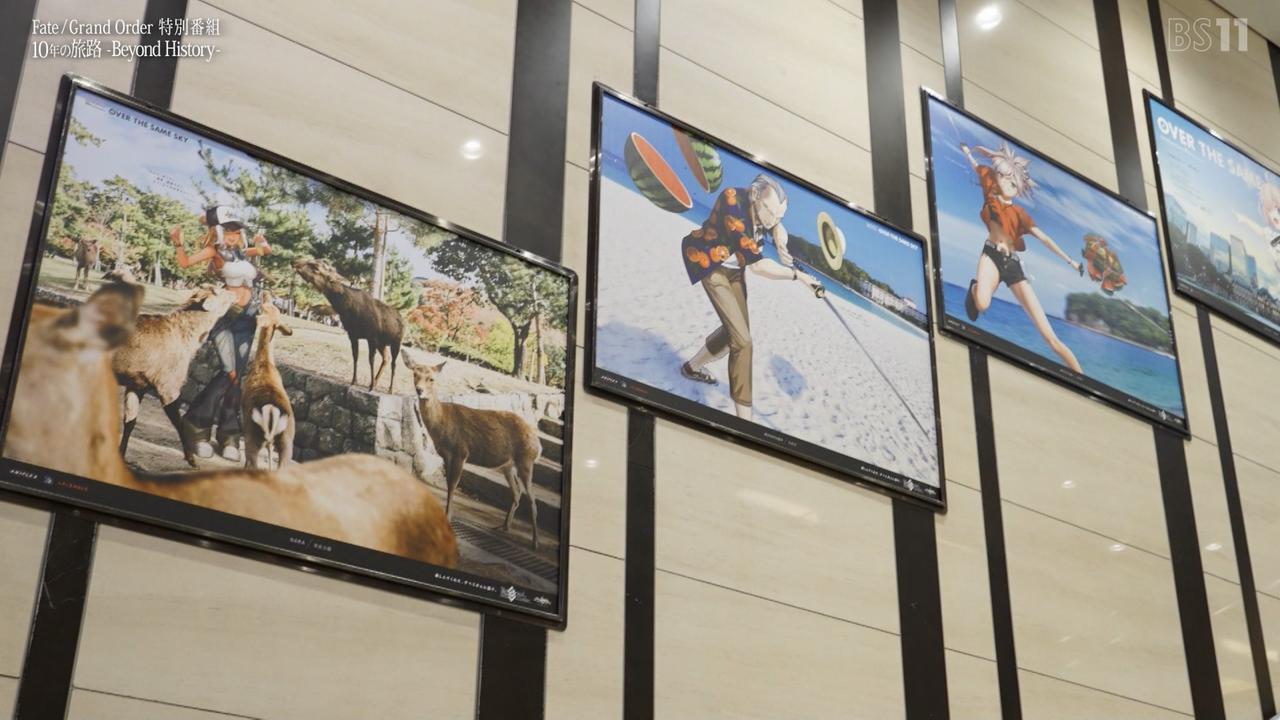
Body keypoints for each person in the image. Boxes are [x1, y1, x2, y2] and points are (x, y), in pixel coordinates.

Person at [677, 174, 822, 420]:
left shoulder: (763, 208)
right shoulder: (733, 205)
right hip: (711, 264)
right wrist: (798, 276)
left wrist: (778, 233)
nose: (772, 220)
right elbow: (759, 266)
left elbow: (772, 221)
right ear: (755, 196)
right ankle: (744, 421)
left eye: (779, 216)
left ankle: (691, 368)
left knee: (733, 333)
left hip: (734, 270)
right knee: (743, 342)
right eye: (770, 213)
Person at [960, 141, 1086, 374]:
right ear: (997, 177)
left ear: (1019, 188)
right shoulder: (990, 191)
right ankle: (975, 287)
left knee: (1052, 339)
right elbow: (977, 166)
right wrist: (968, 152)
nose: (1008, 183)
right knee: (982, 304)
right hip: (991, 256)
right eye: (1004, 177)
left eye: (1013, 182)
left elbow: (1044, 238)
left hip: (1014, 267)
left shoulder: (1020, 214)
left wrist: (1071, 261)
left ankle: (1082, 379)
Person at [171, 205, 271, 461]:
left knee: (236, 380)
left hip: (248, 318)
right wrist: (178, 243)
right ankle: (195, 425)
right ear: (217, 231)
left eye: (236, 232)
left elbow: (264, 251)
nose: (233, 236)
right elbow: (184, 263)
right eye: (228, 230)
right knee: (230, 373)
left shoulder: (241, 253)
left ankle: (228, 435)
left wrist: (262, 242)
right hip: (226, 316)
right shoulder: (214, 252)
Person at [1233, 182, 1280, 271]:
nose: (1275, 217)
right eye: (1269, 211)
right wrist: (1244, 219)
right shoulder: (1273, 236)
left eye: (1278, 210)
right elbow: (1263, 232)